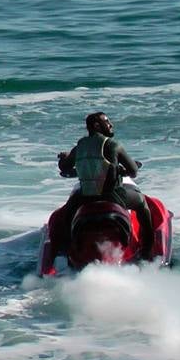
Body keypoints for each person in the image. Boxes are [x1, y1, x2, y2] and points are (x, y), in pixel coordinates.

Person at [56, 111, 156, 260]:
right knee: (142, 204)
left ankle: (66, 251)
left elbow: (64, 168)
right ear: (97, 125)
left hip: (85, 198)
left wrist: (63, 158)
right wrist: (121, 170)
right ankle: (147, 250)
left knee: (68, 211)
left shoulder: (80, 146)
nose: (111, 125)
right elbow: (133, 171)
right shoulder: (113, 145)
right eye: (107, 122)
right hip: (113, 197)